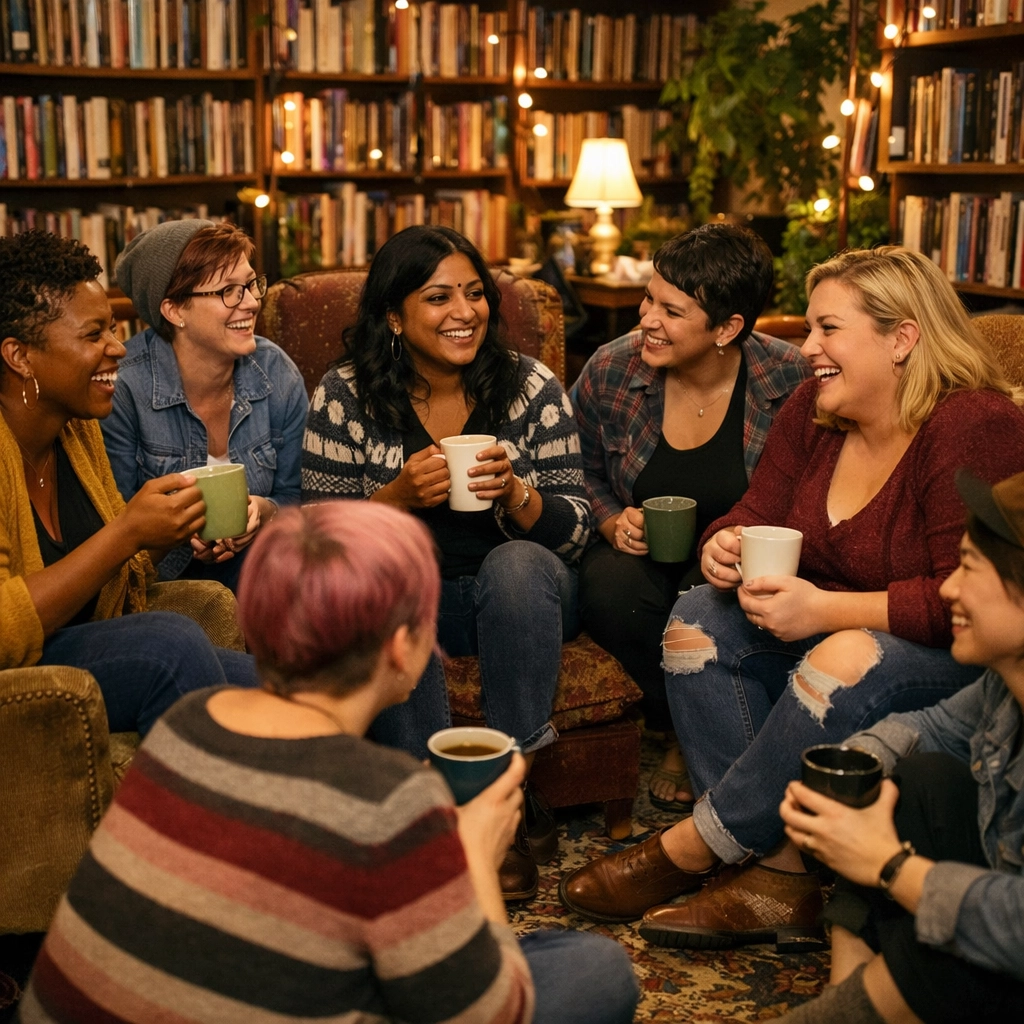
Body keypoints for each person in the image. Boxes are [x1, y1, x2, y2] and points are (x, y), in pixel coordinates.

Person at [17, 501, 641, 1024]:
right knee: (594, 970)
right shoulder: (395, 799)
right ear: (402, 648)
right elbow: (488, 1013)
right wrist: (473, 854)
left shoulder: (188, 719)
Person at [560, 246, 1024, 945]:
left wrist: (827, 611)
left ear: (902, 338)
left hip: (940, 656)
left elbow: (971, 598)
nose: (807, 349)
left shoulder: (970, 424)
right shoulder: (812, 409)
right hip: (819, 632)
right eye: (810, 328)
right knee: (695, 620)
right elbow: (755, 512)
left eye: (828, 329)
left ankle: (698, 848)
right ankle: (779, 874)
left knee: (845, 654)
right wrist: (723, 544)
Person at [301, 225, 591, 901]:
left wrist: (517, 494)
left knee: (517, 566)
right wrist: (395, 498)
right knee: (394, 590)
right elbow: (316, 547)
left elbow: (578, 534)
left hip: (523, 599)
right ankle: (429, 814)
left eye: (474, 293)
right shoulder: (345, 396)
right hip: (416, 604)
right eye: (438, 298)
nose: (464, 312)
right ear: (394, 317)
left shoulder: (531, 387)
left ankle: (505, 800)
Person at [571, 224, 810, 811]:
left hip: (732, 562)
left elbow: (813, 480)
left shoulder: (788, 377)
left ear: (727, 328)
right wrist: (610, 520)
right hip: (638, 556)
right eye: (648, 299)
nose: (647, 319)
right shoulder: (611, 368)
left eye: (671, 311)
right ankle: (671, 721)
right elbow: (572, 467)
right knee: (608, 588)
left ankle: (691, 735)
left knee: (706, 597)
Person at [774, 468, 1024, 1023]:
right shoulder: (1003, 687)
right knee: (917, 776)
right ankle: (845, 989)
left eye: (969, 568)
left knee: (953, 953)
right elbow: (929, 729)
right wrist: (852, 773)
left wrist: (889, 866)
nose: (949, 588)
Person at [0, 230, 256, 736]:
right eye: (93, 335)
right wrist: (127, 532)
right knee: (168, 644)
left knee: (282, 689)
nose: (118, 348)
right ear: (20, 356)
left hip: (82, 646)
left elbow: (125, 585)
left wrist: (170, 527)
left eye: (113, 330)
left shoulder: (76, 430)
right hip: (21, 674)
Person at [102, 219, 308, 594]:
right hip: (157, 585)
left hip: (263, 572)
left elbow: (300, 497)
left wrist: (263, 511)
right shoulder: (122, 387)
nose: (252, 302)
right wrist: (180, 536)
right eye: (229, 291)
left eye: (251, 284)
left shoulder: (275, 370)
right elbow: (111, 529)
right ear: (174, 310)